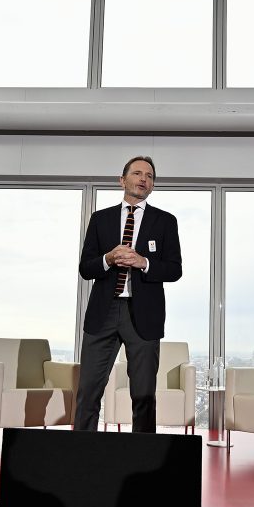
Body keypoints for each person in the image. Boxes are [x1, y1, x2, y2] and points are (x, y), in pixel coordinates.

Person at [73, 156, 182, 433]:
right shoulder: (100, 219)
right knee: (88, 391)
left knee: (144, 395)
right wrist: (108, 258)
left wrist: (143, 262)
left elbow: (174, 269)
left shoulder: (166, 222)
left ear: (153, 185)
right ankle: (78, 456)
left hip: (144, 316)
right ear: (122, 180)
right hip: (103, 313)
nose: (144, 178)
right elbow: (86, 268)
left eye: (149, 176)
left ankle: (143, 462)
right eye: (137, 173)